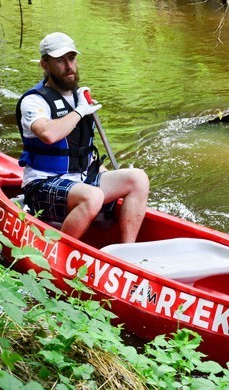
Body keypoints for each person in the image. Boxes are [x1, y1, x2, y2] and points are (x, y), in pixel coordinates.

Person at [15, 32, 149, 242]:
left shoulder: (79, 98)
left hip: (81, 179)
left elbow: (83, 150)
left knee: (137, 178)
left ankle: (126, 253)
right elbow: (48, 134)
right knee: (93, 196)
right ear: (45, 65)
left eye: (72, 58)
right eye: (60, 60)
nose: (69, 65)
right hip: (43, 184)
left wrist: (105, 175)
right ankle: (60, 252)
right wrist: (79, 111)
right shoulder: (34, 101)